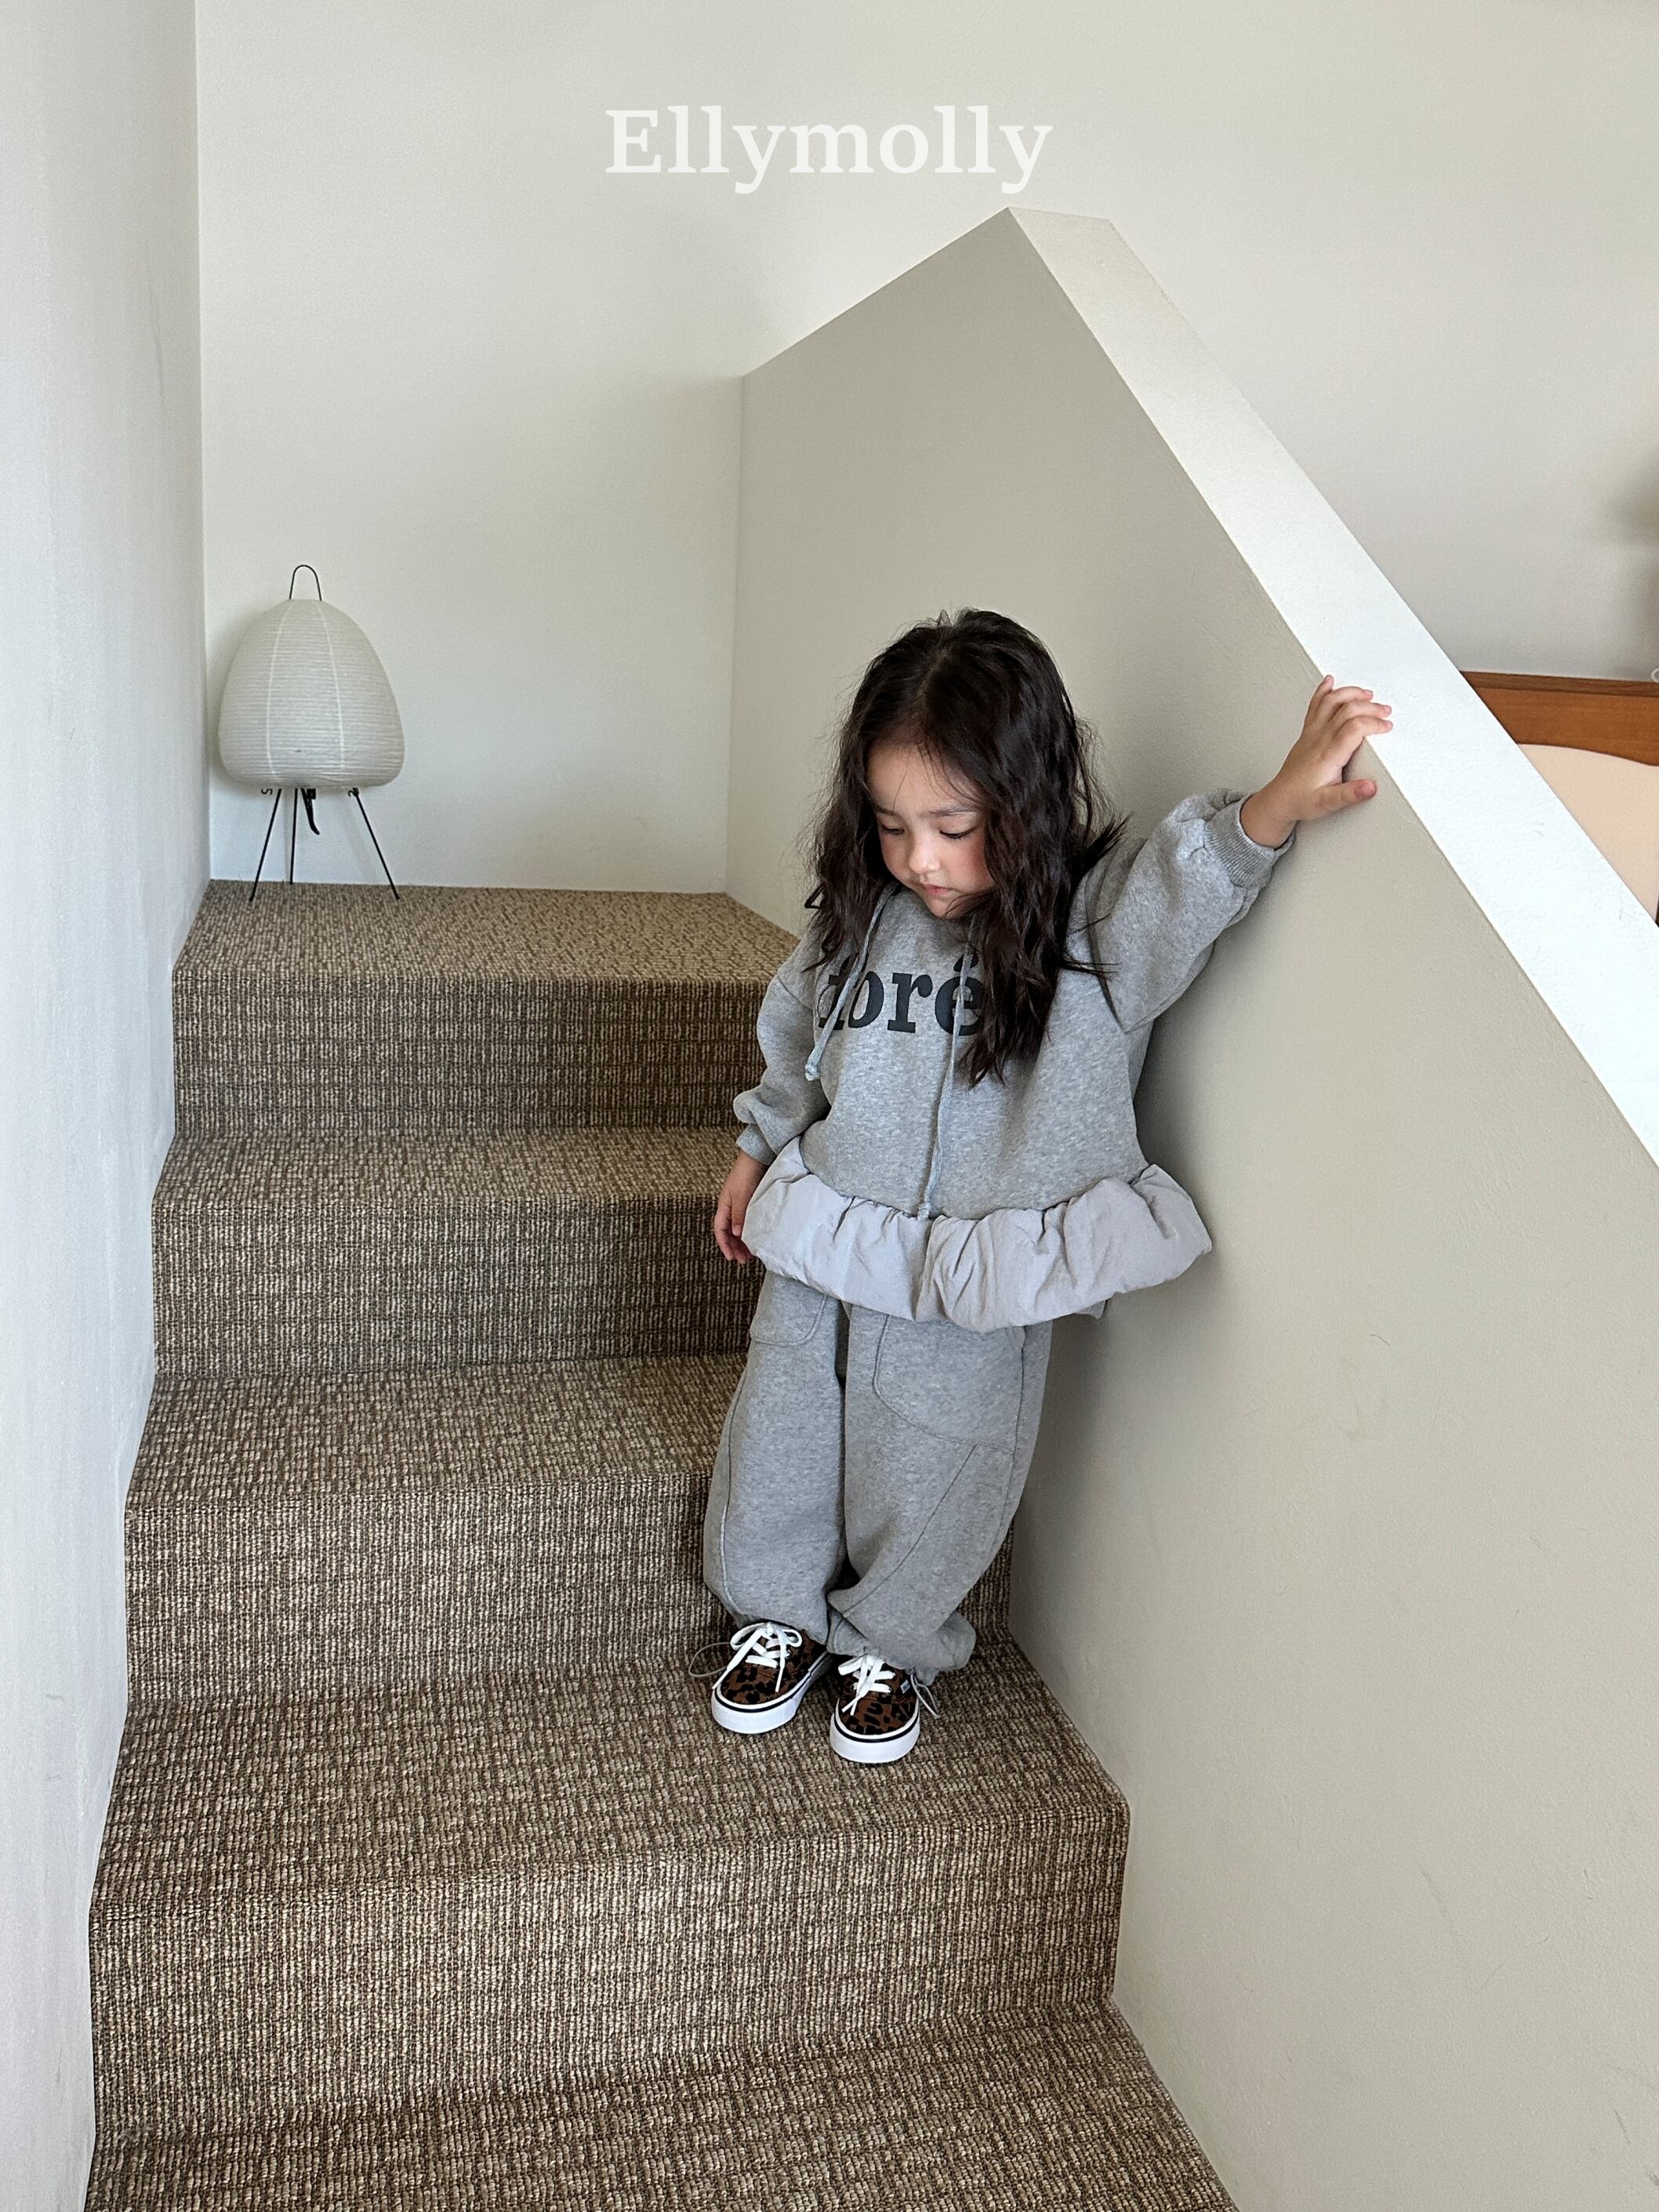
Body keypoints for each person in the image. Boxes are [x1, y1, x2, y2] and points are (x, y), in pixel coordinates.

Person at [698, 607, 1386, 1765]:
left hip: (977, 1268)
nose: (921, 859)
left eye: (955, 828)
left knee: (941, 1456)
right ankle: (773, 1611)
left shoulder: (1087, 930)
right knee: (783, 1424)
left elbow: (1180, 894)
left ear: (1022, 803)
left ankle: (891, 1637)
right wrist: (757, 1148)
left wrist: (1276, 801)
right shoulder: (863, 921)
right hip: (830, 1229)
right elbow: (799, 1041)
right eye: (892, 826)